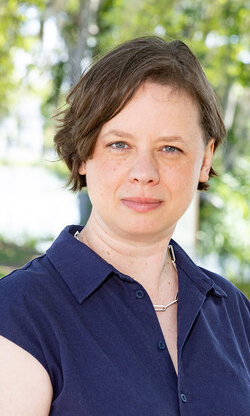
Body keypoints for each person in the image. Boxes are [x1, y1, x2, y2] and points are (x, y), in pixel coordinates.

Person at [0, 36, 249, 416]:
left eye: (170, 148)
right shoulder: (20, 314)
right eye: (119, 144)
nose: (144, 173)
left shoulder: (236, 313)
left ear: (204, 159)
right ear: (83, 153)